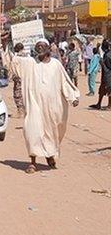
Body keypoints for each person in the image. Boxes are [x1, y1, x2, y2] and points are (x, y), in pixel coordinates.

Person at [9, 39, 80, 173]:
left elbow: (65, 82)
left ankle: (50, 155)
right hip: (35, 105)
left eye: (42, 46)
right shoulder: (30, 63)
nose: (39, 48)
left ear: (48, 48)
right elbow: (15, 62)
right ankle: (33, 161)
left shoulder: (56, 65)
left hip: (53, 107)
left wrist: (73, 97)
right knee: (32, 130)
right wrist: (16, 49)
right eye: (37, 47)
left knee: (53, 131)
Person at [91, 41, 111, 110]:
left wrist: (102, 63)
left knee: (109, 90)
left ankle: (109, 105)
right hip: (105, 76)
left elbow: (108, 67)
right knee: (102, 90)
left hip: (108, 76)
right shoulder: (106, 54)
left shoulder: (108, 55)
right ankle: (98, 104)